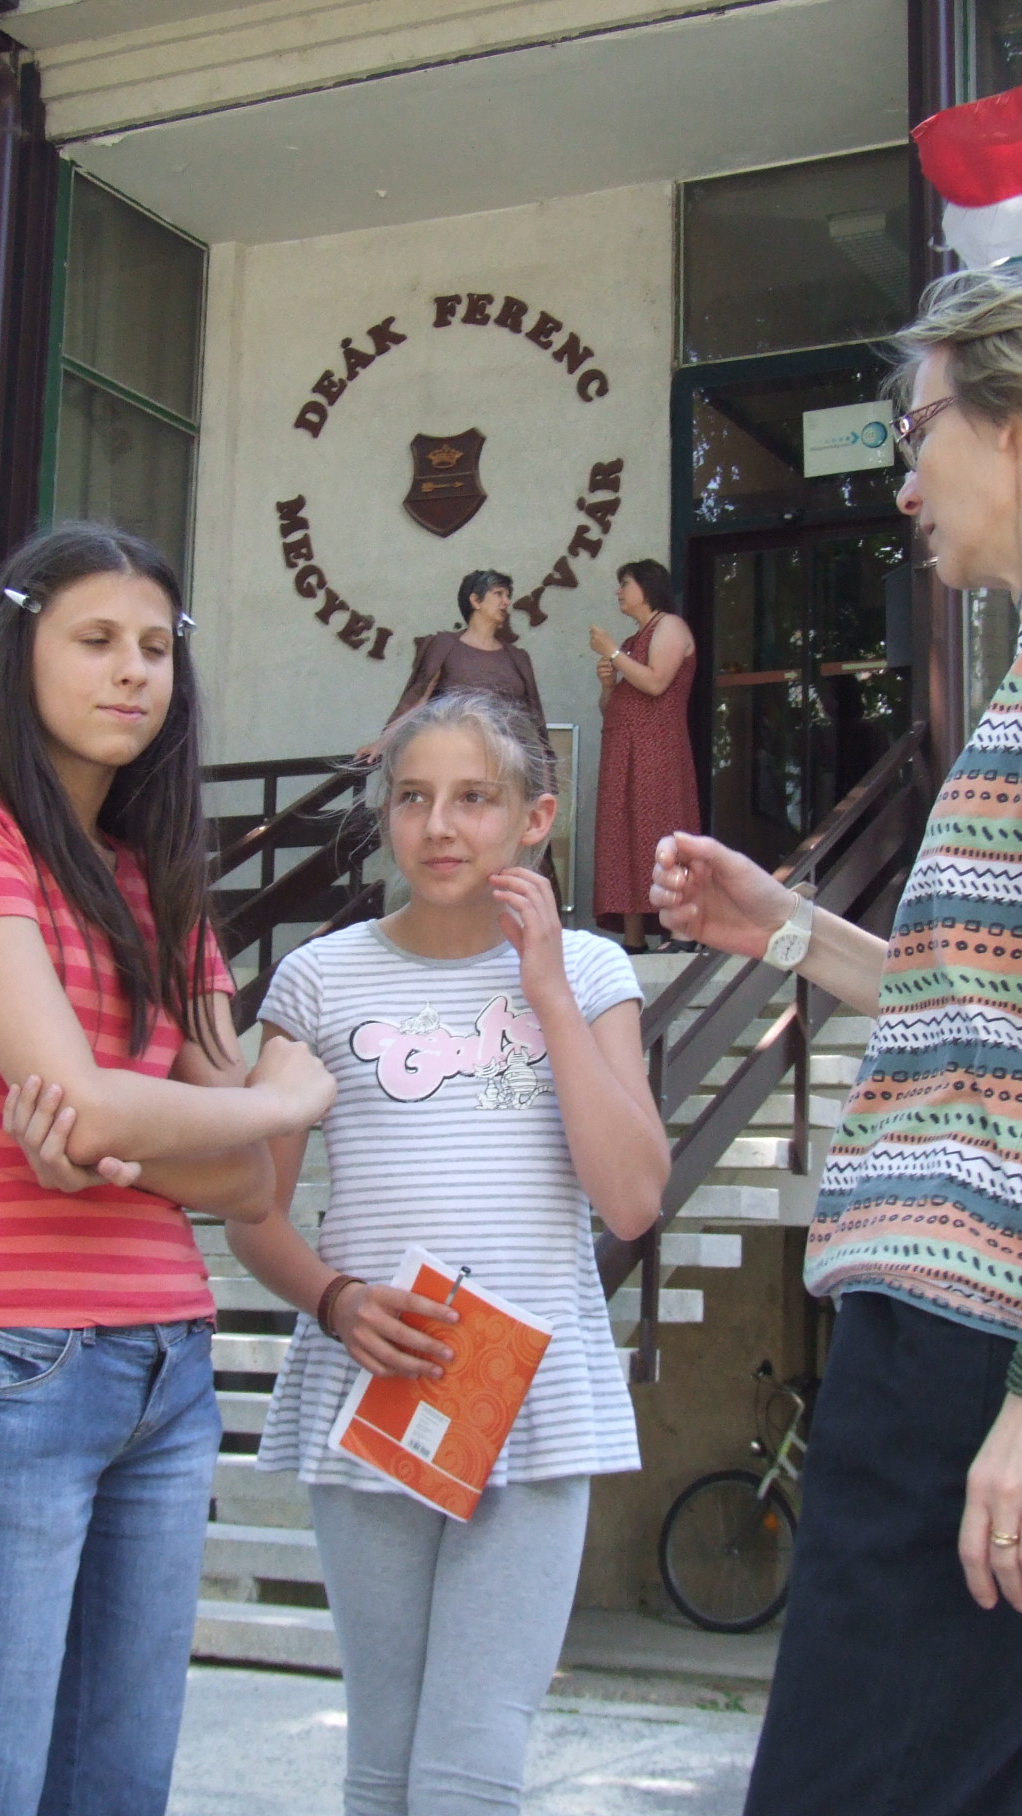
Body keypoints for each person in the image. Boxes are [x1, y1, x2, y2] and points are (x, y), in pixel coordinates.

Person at [649, 261, 1022, 1816]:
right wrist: (780, 931)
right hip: (976, 1317)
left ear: (1017, 423)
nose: (904, 478)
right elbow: (1000, 1003)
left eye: (917, 429)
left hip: (995, 1328)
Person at [0, 525, 336, 1816]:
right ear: (18, 651)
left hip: (167, 1367)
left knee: (119, 1789)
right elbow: (93, 1107)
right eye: (95, 640)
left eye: (154, 646)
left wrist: (134, 1143)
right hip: (6, 1359)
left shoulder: (158, 883)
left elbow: (247, 1187)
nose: (134, 671)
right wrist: (274, 1099)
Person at [228, 691, 667, 1816]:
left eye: (475, 798)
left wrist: (547, 990)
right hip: (377, 1385)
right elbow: (252, 1210)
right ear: (384, 816)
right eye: (414, 798)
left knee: (471, 1770)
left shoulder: (592, 973)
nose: (440, 826)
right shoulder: (319, 981)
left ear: (534, 819)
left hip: (536, 1399)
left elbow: (631, 1199)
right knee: (384, 1767)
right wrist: (335, 1301)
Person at [587, 559, 696, 949]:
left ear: (648, 586)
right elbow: (613, 708)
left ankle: (682, 931)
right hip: (624, 751)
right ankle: (633, 938)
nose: (619, 591)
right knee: (624, 838)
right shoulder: (635, 639)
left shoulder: (670, 626)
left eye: (626, 583)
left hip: (657, 749)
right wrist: (608, 686)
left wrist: (613, 653)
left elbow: (656, 683)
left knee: (661, 832)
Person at [373, 569, 549, 756]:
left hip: (507, 758)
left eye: (508, 596)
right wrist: (381, 744)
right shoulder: (444, 645)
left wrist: (545, 771)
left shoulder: (517, 657)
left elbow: (533, 720)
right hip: (454, 754)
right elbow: (418, 700)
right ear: (475, 600)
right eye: (498, 594)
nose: (506, 602)